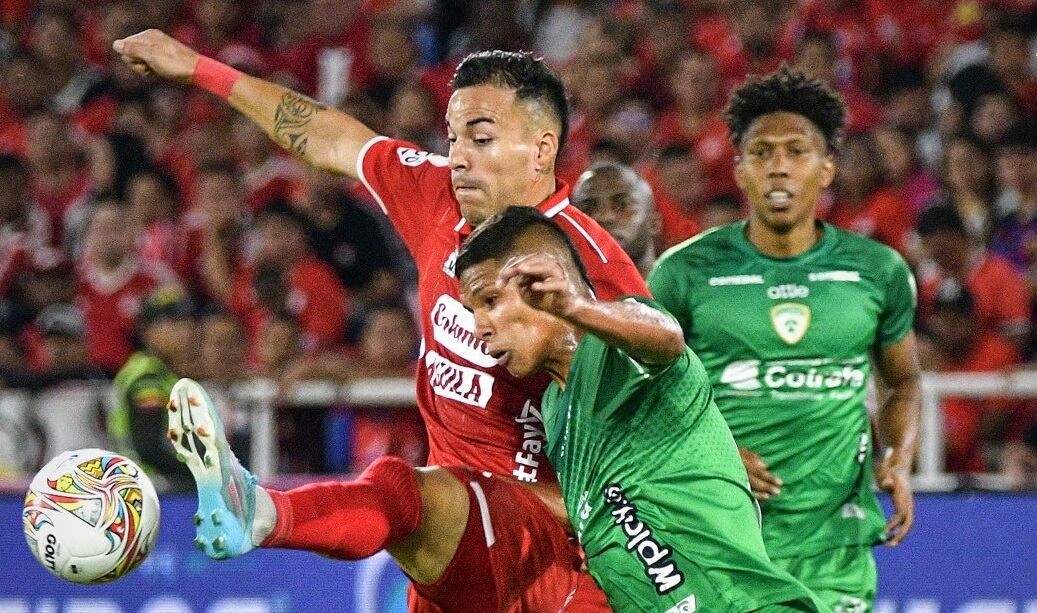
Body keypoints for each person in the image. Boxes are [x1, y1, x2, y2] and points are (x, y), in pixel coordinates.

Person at [116, 29, 647, 610]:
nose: (460, 156)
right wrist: (195, 67)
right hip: (459, 532)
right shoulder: (438, 196)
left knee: (403, 489)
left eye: (482, 138)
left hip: (551, 551)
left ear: (543, 149)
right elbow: (328, 135)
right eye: (452, 137)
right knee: (414, 494)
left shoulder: (595, 274)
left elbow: (647, 456)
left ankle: (263, 510)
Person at [456, 206, 825, 612]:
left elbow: (666, 339)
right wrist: (475, 490)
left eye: (490, 300)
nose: (479, 328)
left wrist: (575, 308)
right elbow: (593, 509)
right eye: (473, 312)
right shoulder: (555, 405)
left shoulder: (620, 350)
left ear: (544, 283)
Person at [648, 66, 921, 612]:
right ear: (739, 170)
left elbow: (905, 381)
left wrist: (896, 457)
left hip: (832, 544)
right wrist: (711, 454)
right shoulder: (684, 273)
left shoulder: (877, 271)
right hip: (721, 535)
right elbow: (641, 399)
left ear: (827, 169)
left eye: (797, 151)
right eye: (762, 152)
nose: (779, 167)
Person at [112, 286, 197, 491]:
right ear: (147, 331)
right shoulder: (148, 377)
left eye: (188, 322)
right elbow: (149, 447)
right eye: (174, 323)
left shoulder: (161, 371)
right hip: (151, 488)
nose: (186, 331)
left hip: (152, 486)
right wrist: (199, 478)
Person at [571, 162, 658, 278]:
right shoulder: (551, 293)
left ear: (654, 223)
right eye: (588, 208)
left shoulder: (686, 291)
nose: (604, 216)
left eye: (623, 204)